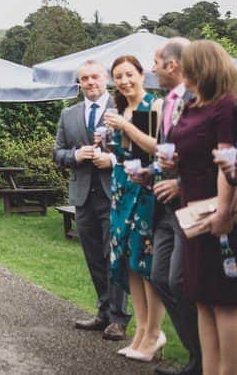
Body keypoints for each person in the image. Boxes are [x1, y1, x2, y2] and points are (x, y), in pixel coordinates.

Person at [168, 40, 237, 375]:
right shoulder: (194, 105)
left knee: (224, 300)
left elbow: (229, 159)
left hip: (218, 212)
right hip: (192, 211)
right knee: (201, 299)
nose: (181, 70)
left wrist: (224, 212)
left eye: (187, 65)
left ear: (202, 67)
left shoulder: (227, 106)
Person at [52, 60, 129, 341]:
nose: (90, 83)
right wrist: (75, 156)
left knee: (115, 257)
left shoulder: (123, 110)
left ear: (105, 78)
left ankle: (119, 319)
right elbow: (57, 153)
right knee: (94, 256)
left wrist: (112, 159)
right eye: (84, 79)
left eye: (95, 77)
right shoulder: (68, 114)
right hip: (82, 196)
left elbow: (141, 152)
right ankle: (104, 312)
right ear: (79, 83)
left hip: (114, 194)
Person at [137, 38, 201, 375]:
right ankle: (197, 354)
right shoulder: (165, 103)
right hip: (164, 207)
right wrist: (150, 174)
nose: (153, 69)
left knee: (180, 281)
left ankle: (205, 358)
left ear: (172, 64)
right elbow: (168, 153)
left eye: (156, 63)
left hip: (191, 205)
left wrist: (179, 182)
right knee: (160, 276)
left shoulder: (199, 100)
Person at [105, 55, 167, 362]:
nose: (124, 81)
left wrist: (126, 127)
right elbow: (122, 151)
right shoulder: (121, 110)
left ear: (141, 75)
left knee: (145, 263)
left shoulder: (153, 106)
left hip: (145, 190)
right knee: (128, 261)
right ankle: (141, 330)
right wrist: (106, 140)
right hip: (121, 190)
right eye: (118, 76)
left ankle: (154, 333)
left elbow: (153, 147)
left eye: (129, 74)